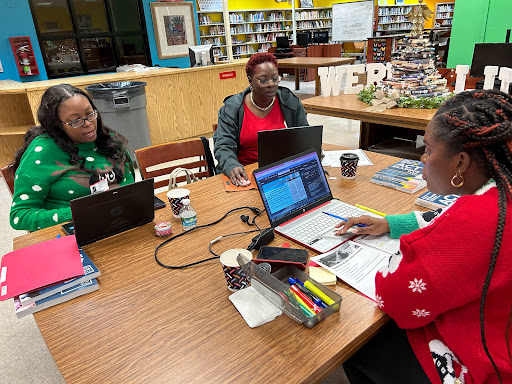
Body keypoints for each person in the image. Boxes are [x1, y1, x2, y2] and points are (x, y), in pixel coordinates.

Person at [337, 90, 512, 384]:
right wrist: (388, 224)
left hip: (483, 364)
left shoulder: (476, 221)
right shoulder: (500, 187)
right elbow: (439, 217)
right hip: (501, 330)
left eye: (429, 150)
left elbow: (393, 297)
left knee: (358, 345)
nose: (422, 157)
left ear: (460, 162)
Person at [9, 84, 135, 232]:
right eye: (76, 121)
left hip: (121, 221)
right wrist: (77, 213)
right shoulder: (43, 151)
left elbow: (132, 184)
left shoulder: (108, 138)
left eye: (90, 114)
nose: (88, 124)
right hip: (74, 231)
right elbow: (19, 216)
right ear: (58, 125)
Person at [213, 52, 309, 187]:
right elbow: (223, 145)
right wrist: (231, 165)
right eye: (263, 80)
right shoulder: (232, 109)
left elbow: (305, 136)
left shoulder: (290, 102)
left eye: (275, 78)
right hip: (245, 174)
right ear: (250, 80)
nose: (271, 84)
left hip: (282, 173)